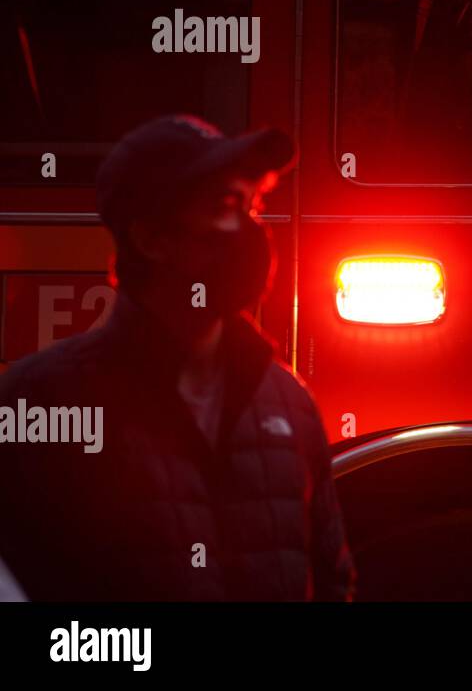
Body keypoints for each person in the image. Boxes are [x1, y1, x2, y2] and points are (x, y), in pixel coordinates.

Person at [0, 115, 355, 600]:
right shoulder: (38, 403)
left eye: (252, 206)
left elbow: (333, 583)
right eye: (225, 206)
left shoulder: (288, 404)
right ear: (150, 239)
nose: (249, 232)